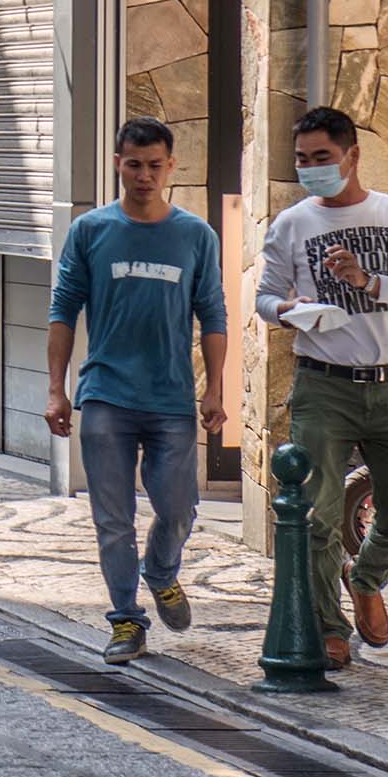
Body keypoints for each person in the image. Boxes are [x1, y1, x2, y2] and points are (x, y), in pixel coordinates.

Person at [255, 104, 388, 668]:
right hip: (322, 384)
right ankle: (328, 628)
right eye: (303, 160)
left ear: (352, 156)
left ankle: (366, 579)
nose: (312, 168)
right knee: (316, 512)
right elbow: (264, 300)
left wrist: (366, 279)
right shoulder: (291, 224)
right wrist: (292, 308)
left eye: (323, 158)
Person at [47, 118, 229, 665]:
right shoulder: (90, 231)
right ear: (118, 164)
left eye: (154, 165)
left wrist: (215, 388)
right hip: (105, 393)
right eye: (134, 164)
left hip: (171, 398)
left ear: (171, 167)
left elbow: (213, 314)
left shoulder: (196, 235)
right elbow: (63, 310)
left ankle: (162, 570)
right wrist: (57, 389)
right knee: (113, 518)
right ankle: (126, 619)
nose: (144, 175)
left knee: (178, 508)